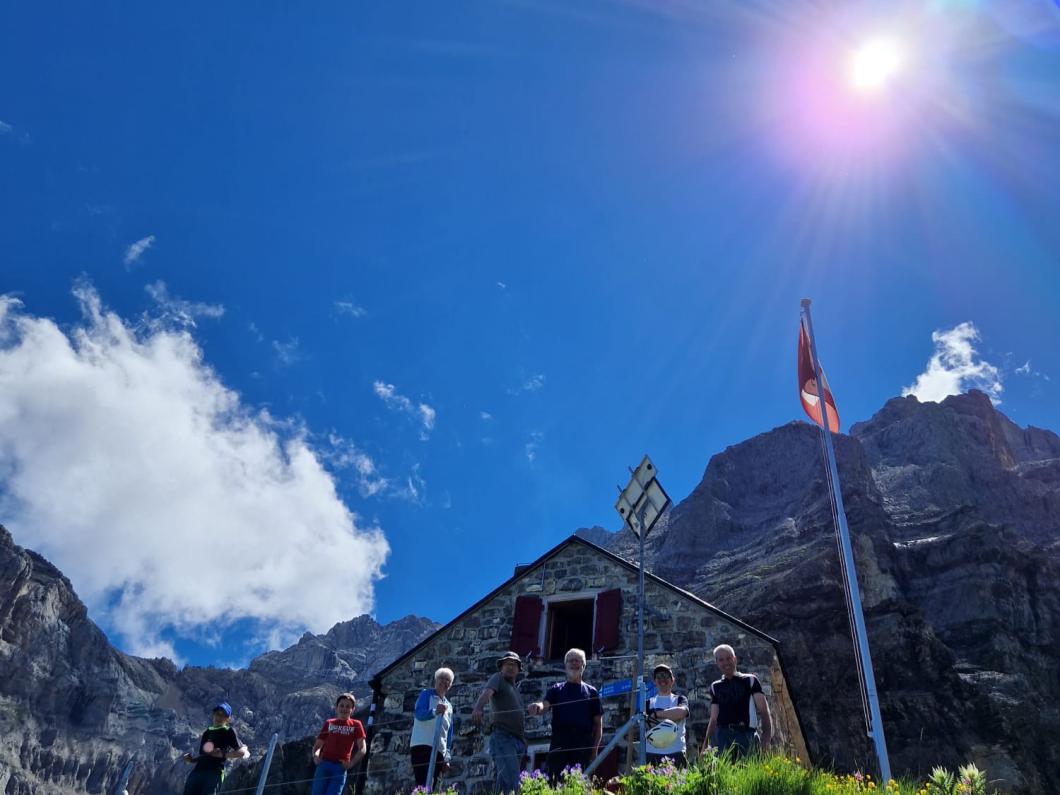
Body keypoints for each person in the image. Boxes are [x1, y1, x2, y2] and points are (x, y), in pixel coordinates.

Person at [528, 648, 602, 783]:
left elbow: (598, 725)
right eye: (570, 661)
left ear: (583, 665)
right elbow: (545, 705)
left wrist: (594, 751)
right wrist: (537, 707)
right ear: (565, 665)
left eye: (577, 661)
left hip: (582, 747)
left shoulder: (592, 692)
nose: (574, 663)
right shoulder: (556, 689)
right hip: (559, 745)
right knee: (553, 783)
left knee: (579, 786)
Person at [702, 644, 772, 758]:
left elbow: (764, 711)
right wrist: (705, 746)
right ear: (717, 663)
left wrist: (766, 740)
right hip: (721, 738)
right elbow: (714, 718)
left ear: (735, 659)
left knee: (749, 769)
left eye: (728, 658)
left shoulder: (750, 680)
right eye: (721, 660)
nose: (725, 662)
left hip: (746, 735)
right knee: (722, 769)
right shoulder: (715, 686)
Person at [472, 651, 526, 794]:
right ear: (501, 667)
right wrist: (478, 708)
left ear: (518, 669)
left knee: (503, 782)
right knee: (512, 783)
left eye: (513, 665)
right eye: (507, 664)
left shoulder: (515, 690)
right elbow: (487, 692)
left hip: (517, 740)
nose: (510, 667)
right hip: (503, 737)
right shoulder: (498, 678)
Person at [181, 702, 249, 795]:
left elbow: (241, 752)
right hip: (197, 772)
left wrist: (223, 754)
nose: (219, 717)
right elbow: (204, 755)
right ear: (213, 715)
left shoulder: (228, 731)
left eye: (223, 715)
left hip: (214, 773)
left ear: (228, 719)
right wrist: (191, 760)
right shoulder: (207, 732)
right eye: (217, 714)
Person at [311, 693, 367, 795]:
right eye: (341, 705)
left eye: (348, 706)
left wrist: (351, 763)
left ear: (352, 709)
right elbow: (318, 745)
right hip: (324, 764)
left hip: (340, 768)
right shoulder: (329, 723)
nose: (344, 708)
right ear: (336, 708)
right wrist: (316, 756)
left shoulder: (356, 724)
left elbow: (362, 748)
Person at [410, 667, 455, 789]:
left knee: (433, 784)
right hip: (422, 745)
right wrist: (435, 712)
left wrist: (447, 757)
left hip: (439, 750)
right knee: (422, 783)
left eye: (447, 680)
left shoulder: (449, 706)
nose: (444, 682)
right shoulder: (426, 694)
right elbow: (419, 714)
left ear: (450, 685)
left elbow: (449, 734)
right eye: (441, 678)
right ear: (436, 680)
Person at [644, 664, 690, 768]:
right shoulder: (648, 703)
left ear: (672, 680)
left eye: (666, 676)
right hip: (652, 753)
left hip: (676, 753)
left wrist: (656, 714)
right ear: (654, 681)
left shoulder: (680, 699)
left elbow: (681, 713)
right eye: (659, 677)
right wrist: (670, 714)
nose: (662, 680)